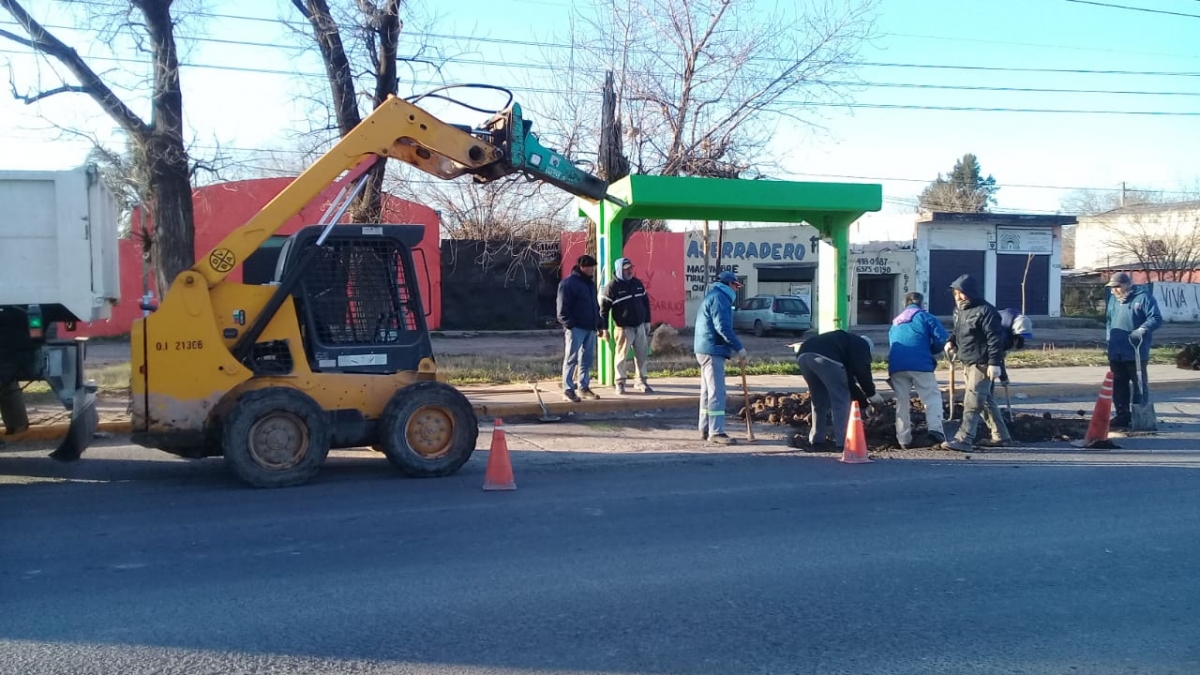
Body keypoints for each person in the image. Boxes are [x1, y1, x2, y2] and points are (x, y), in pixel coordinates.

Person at [940, 274, 1010, 452]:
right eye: (956, 293)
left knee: (973, 401)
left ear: (970, 292)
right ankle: (1001, 436)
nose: (958, 297)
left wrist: (994, 363)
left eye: (962, 293)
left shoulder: (986, 311)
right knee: (985, 400)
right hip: (967, 360)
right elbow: (958, 330)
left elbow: (995, 339)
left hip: (982, 362)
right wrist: (951, 340)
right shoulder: (959, 311)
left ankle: (964, 439)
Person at [797, 330, 882, 450]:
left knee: (819, 400)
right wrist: (872, 394)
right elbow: (862, 372)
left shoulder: (843, 344)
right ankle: (843, 443)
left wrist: (864, 403)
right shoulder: (861, 345)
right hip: (825, 358)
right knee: (841, 400)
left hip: (803, 356)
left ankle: (816, 440)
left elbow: (849, 383)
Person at [887, 292, 950, 449]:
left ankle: (903, 439)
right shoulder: (925, 317)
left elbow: (892, 343)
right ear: (921, 304)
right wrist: (930, 351)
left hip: (896, 366)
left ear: (905, 304)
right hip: (920, 364)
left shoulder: (895, 322)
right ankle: (936, 430)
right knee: (931, 397)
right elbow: (942, 338)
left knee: (901, 402)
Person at [693, 270, 747, 445]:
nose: (736, 290)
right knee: (717, 391)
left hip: (705, 348)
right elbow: (723, 327)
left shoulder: (713, 296)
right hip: (713, 348)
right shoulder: (720, 298)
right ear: (730, 284)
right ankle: (716, 432)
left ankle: (705, 427)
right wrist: (739, 347)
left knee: (707, 391)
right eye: (736, 286)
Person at [1104, 272, 1162, 428]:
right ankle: (1122, 414)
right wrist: (1109, 336)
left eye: (1117, 287)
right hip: (1116, 349)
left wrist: (1143, 329)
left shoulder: (1143, 297)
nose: (1114, 290)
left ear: (1127, 284)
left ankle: (1139, 415)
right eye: (1112, 287)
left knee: (1139, 385)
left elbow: (1155, 318)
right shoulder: (1113, 301)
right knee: (1119, 384)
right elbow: (1109, 320)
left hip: (1135, 350)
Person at [600, 257, 653, 395]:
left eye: (631, 268)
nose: (630, 271)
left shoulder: (637, 283)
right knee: (621, 357)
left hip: (640, 326)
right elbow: (604, 310)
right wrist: (604, 328)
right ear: (619, 270)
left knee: (641, 355)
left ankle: (641, 381)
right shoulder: (612, 287)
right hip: (623, 328)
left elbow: (646, 303)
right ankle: (620, 382)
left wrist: (647, 321)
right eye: (626, 269)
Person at [557, 254, 604, 402]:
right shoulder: (568, 284)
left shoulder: (589, 284)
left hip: (590, 327)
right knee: (571, 359)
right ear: (583, 267)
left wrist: (599, 323)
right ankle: (568, 389)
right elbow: (562, 308)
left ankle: (583, 387)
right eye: (590, 267)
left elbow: (594, 305)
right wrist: (569, 324)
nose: (592, 270)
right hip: (576, 328)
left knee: (586, 359)